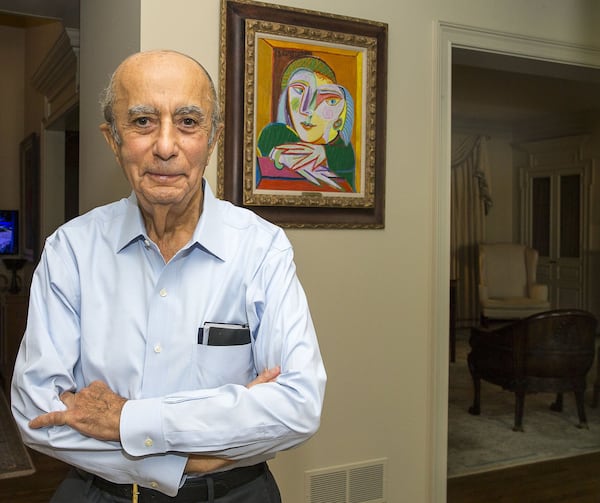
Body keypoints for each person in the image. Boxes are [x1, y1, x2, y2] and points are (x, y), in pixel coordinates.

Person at [11, 49, 326, 503]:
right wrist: (184, 461)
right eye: (142, 122)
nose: (164, 146)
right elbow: (37, 412)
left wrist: (126, 419)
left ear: (212, 139)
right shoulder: (71, 250)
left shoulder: (261, 248)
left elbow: (297, 406)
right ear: (112, 139)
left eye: (188, 122)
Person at [256, 56, 356, 191]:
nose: (307, 109)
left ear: (339, 118)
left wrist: (325, 154)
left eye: (329, 100)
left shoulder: (343, 150)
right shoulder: (273, 135)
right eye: (299, 91)